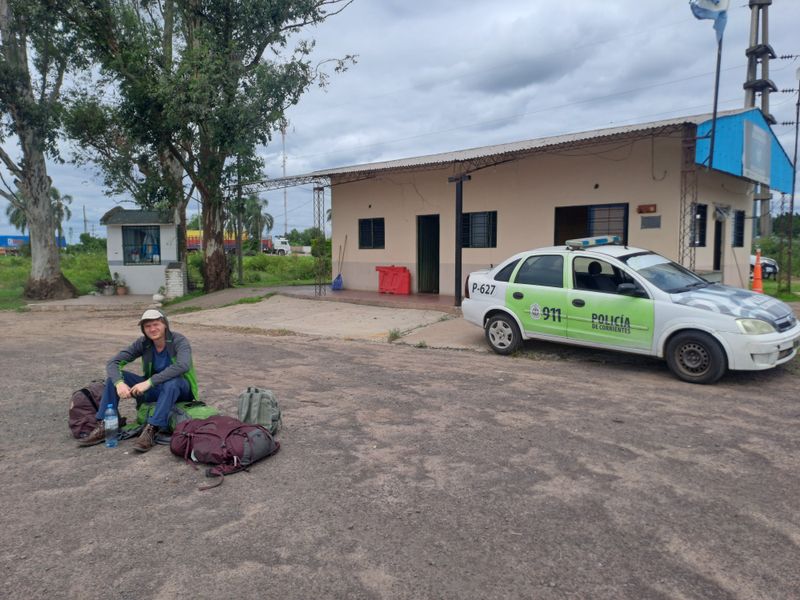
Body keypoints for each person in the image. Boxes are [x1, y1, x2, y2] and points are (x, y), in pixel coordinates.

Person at [79, 309, 198, 452]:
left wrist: (148, 382)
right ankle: (106, 425)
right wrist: (119, 383)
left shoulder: (179, 340)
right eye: (147, 326)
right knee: (113, 379)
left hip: (181, 389)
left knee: (172, 382)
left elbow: (182, 365)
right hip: (156, 388)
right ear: (143, 329)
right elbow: (114, 362)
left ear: (164, 324)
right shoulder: (144, 343)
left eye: (156, 324)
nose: (152, 329)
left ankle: (152, 429)